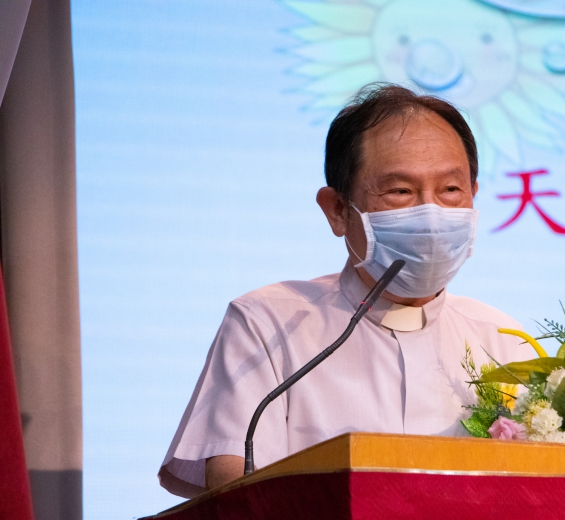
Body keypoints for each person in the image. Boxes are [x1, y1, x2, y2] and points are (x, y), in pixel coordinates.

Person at [158, 83, 525, 498]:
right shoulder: (268, 325)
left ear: (473, 196)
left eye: (451, 190)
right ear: (337, 210)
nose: (431, 214)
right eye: (400, 191)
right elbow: (235, 487)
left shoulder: (505, 342)